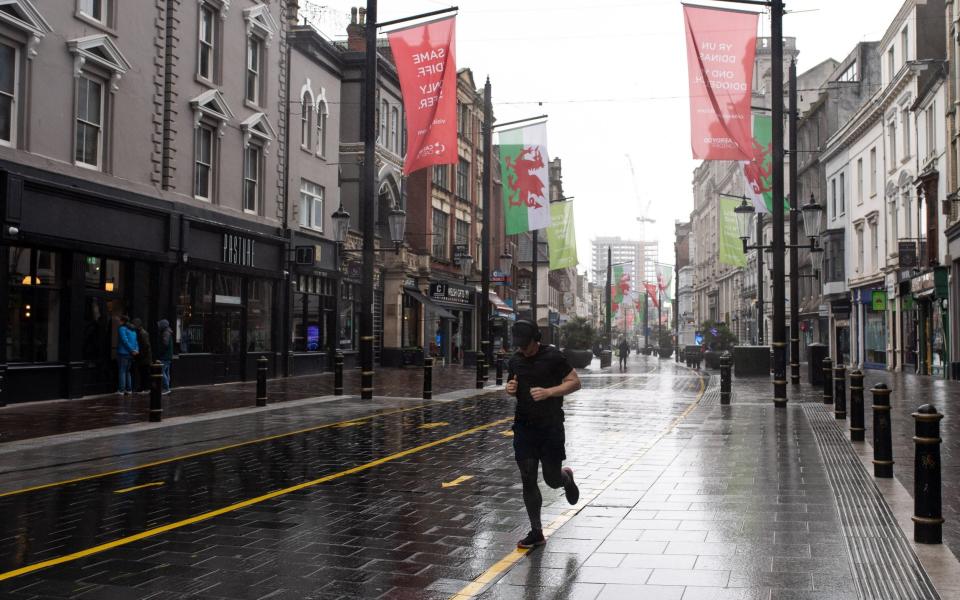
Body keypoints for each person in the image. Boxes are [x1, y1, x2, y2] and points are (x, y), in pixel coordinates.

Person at [505, 320, 582, 549]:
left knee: (551, 479)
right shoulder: (516, 360)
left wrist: (549, 392)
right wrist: (509, 389)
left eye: (526, 345)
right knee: (527, 476)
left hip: (550, 426)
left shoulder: (554, 357)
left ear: (536, 340)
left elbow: (575, 382)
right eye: (518, 345)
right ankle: (536, 532)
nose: (522, 349)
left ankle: (565, 478)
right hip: (524, 426)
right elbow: (512, 384)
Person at [116, 315, 139, 395]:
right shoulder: (133, 330)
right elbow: (136, 342)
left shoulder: (122, 328)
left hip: (123, 353)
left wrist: (131, 350)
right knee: (128, 371)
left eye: (120, 320)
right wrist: (136, 350)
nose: (119, 322)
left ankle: (121, 390)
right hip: (131, 354)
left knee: (122, 371)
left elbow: (124, 341)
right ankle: (129, 389)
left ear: (122, 321)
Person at [131, 318, 153, 393]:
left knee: (145, 373)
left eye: (134, 324)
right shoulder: (139, 332)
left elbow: (146, 345)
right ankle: (143, 387)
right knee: (142, 373)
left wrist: (142, 355)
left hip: (144, 358)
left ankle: (146, 388)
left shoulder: (143, 333)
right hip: (142, 357)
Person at [157, 319, 174, 394]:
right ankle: (167, 387)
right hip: (168, 356)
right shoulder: (168, 332)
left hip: (165, 356)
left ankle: (166, 388)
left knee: (162, 371)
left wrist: (160, 353)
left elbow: (165, 345)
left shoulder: (165, 333)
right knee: (166, 372)